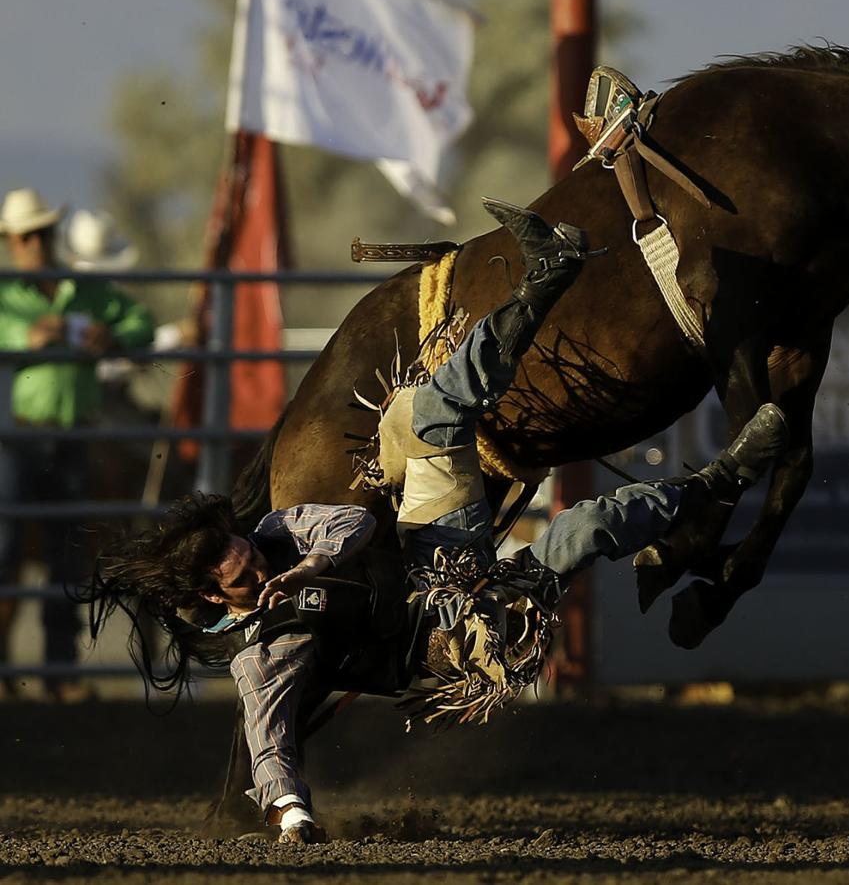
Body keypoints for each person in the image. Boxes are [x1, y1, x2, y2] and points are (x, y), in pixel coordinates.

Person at [88, 198, 788, 843]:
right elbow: (269, 740)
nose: (254, 554)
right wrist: (293, 813)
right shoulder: (263, 654)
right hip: (456, 632)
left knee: (426, 412)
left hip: (433, 554)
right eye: (239, 565)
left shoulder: (279, 537)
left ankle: (546, 278)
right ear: (217, 593)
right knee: (589, 525)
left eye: (243, 543)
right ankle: (725, 478)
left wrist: (306, 562)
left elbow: (351, 530)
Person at [0, 189, 155, 701]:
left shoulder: (82, 289)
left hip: (68, 437)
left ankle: (59, 672)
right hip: (15, 437)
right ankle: (29, 672)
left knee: (65, 554)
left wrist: (112, 339)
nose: (36, 243)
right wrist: (26, 337)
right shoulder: (12, 293)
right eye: (28, 235)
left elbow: (140, 322)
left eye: (42, 233)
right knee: (6, 554)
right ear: (12, 241)